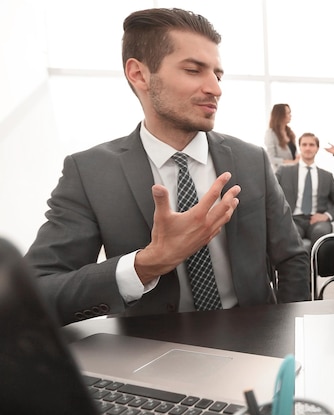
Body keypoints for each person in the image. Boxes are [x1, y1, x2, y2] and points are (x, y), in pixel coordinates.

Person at [24, 8, 310, 326]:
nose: (215, 88)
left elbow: (292, 258)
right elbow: (35, 294)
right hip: (150, 353)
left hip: (258, 343)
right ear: (139, 74)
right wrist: (146, 264)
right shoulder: (90, 173)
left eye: (217, 74)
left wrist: (291, 335)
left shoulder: (252, 160)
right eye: (193, 70)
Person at [276, 133, 334, 247]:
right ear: (300, 147)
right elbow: (271, 195)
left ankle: (318, 265)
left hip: (317, 221)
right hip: (292, 219)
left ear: (317, 148)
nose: (308, 148)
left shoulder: (327, 176)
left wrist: (326, 215)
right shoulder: (284, 172)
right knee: (290, 233)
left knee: (321, 233)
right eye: (304, 145)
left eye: (311, 145)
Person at [265, 103, 299, 171]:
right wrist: (291, 162)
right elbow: (271, 158)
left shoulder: (290, 132)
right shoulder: (271, 133)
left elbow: (294, 154)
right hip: (281, 173)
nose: (290, 115)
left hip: (293, 171)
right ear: (280, 115)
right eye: (288, 113)